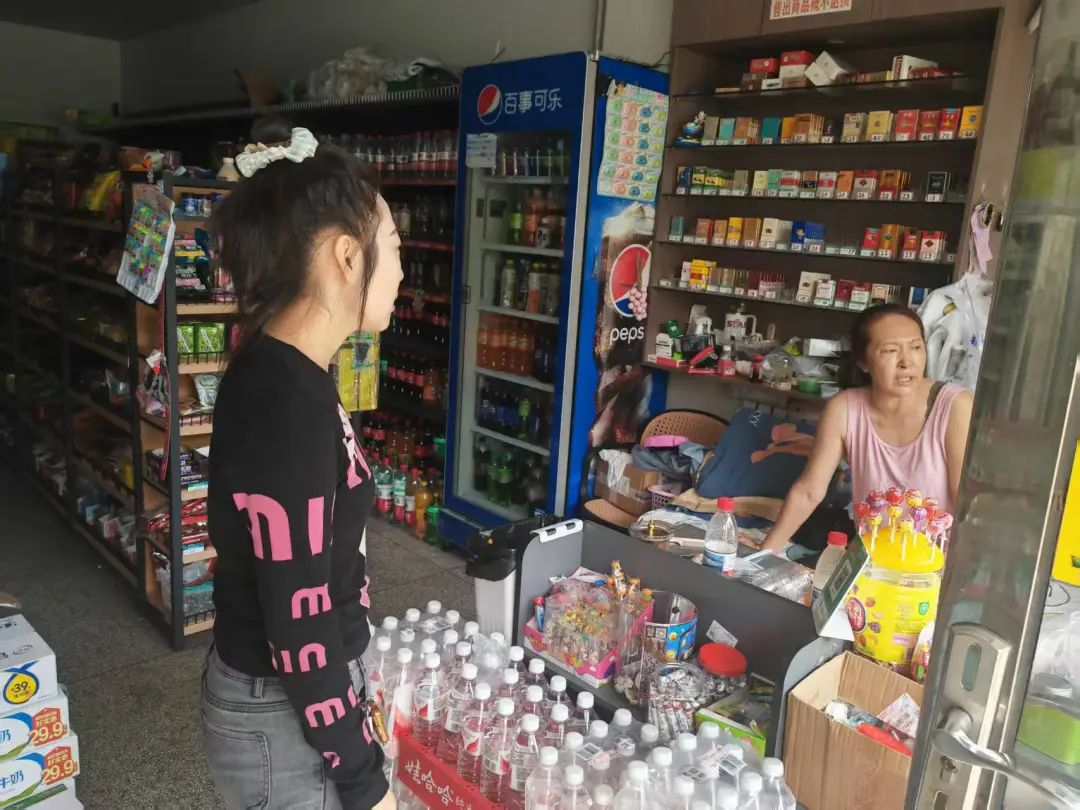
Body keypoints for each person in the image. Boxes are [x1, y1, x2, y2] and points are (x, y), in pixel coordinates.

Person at [201, 118, 400, 809]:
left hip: (295, 702)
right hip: (284, 717)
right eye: (393, 246)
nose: (400, 270)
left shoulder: (287, 369)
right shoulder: (288, 403)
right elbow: (299, 626)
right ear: (348, 256)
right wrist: (364, 782)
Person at [763, 304, 973, 554]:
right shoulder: (844, 410)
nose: (907, 362)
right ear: (863, 361)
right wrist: (763, 555)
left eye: (916, 347)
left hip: (933, 565)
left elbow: (966, 505)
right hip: (871, 562)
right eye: (891, 351)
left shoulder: (955, 407)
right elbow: (809, 492)